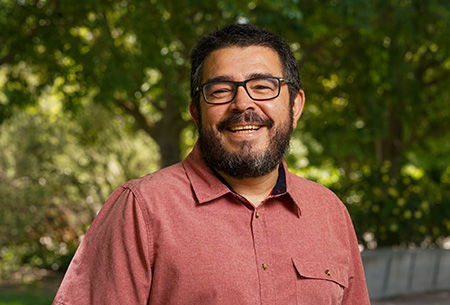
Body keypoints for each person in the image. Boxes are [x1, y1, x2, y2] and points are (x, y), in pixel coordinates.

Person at [53, 23, 370, 304]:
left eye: (262, 86)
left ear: (295, 106)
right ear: (196, 113)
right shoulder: (140, 209)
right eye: (220, 90)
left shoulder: (329, 212)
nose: (243, 103)